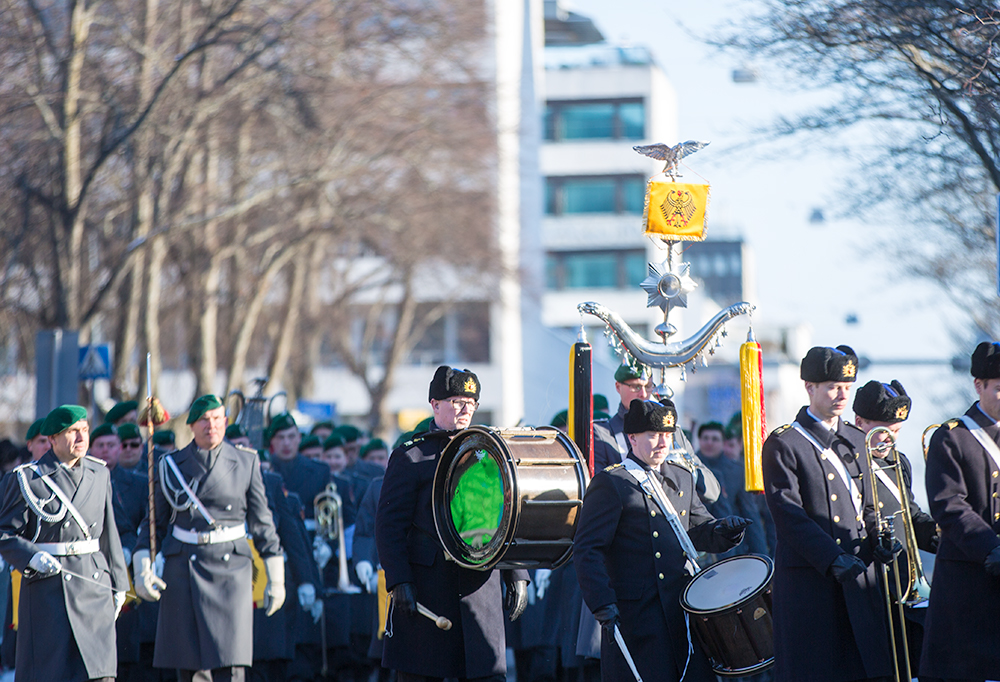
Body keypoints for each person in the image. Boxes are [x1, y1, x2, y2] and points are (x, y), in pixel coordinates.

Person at [574, 399, 751, 682]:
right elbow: (587, 549)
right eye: (654, 435)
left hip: (682, 609)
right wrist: (602, 602)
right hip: (637, 616)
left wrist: (725, 531)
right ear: (632, 438)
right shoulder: (613, 483)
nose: (662, 443)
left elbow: (698, 530)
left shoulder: (681, 476)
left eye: (667, 435)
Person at [375, 365, 529, 682]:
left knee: (485, 676)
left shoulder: (489, 455)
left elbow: (508, 517)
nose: (465, 409)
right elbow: (389, 527)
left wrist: (517, 573)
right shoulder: (412, 456)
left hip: (479, 588)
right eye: (457, 401)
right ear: (435, 404)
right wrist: (399, 580)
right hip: (428, 590)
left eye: (471, 403)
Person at [762, 345, 898, 682]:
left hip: (859, 576)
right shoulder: (785, 443)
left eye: (847, 388)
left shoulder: (856, 438)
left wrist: (879, 538)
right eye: (833, 387)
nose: (842, 396)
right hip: (812, 581)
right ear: (809, 387)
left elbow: (868, 505)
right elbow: (788, 514)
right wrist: (831, 557)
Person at [133, 394, 285, 682]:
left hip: (231, 571)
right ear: (191, 425)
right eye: (203, 419)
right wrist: (143, 568)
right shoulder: (171, 465)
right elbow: (154, 524)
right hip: (184, 569)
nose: (211, 425)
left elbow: (263, 524)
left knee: (230, 663)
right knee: (190, 666)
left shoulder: (246, 462)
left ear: (225, 422)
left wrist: (276, 579)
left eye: (217, 418)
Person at [0, 404, 130, 682]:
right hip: (48, 590)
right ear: (53, 439)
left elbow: (109, 534)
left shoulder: (99, 473)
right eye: (72, 432)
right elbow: (5, 534)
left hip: (93, 586)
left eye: (85, 430)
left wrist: (120, 583)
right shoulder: (27, 478)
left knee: (97, 672)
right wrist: (31, 557)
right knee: (51, 673)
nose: (82, 438)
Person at [920, 341, 1000, 682]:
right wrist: (990, 547)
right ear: (978, 385)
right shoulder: (953, 438)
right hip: (969, 580)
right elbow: (948, 504)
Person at [852, 379, 938, 677]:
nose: (889, 439)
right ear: (859, 422)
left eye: (897, 431)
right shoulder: (849, 464)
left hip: (903, 580)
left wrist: (938, 534)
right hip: (870, 581)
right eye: (883, 430)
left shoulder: (899, 462)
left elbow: (910, 514)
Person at [593, 364, 721, 507]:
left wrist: (684, 469)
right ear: (618, 387)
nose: (643, 394)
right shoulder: (602, 433)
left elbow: (712, 491)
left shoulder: (674, 432)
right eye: (636, 387)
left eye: (648, 386)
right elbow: (599, 494)